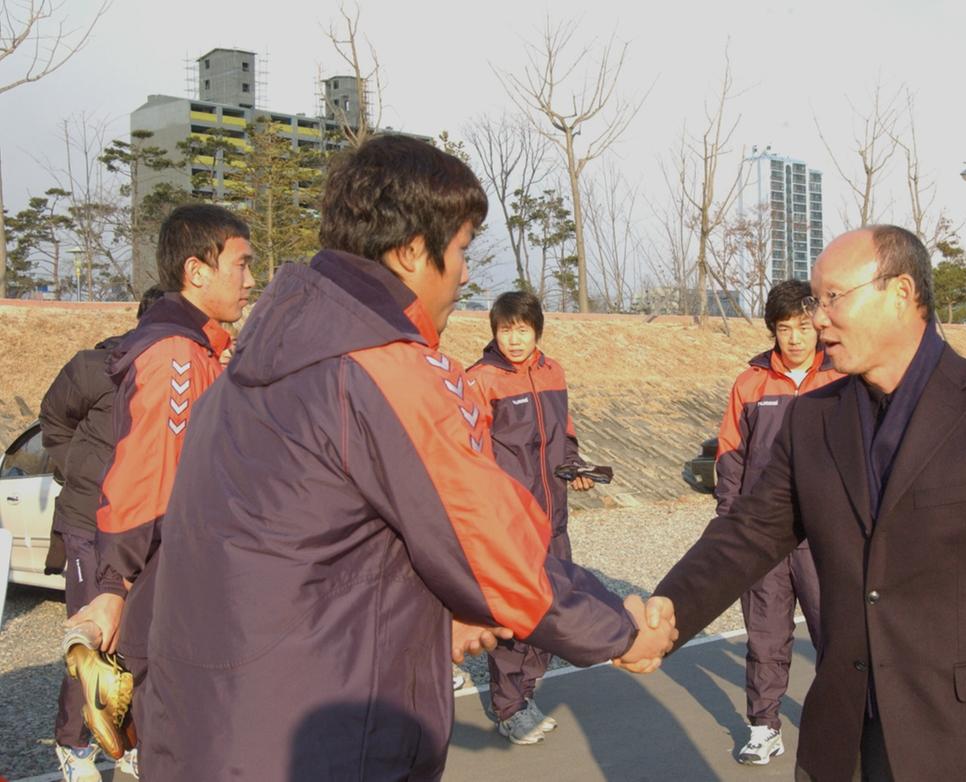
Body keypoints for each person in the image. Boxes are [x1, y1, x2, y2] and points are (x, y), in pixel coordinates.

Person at [136, 136, 674, 781]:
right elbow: (491, 552)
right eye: (463, 250)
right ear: (413, 251)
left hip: (210, 729)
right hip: (322, 739)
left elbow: (312, 548)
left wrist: (436, 614)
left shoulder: (246, 373)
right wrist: (618, 624)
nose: (468, 274)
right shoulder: (381, 368)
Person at [646, 225, 966, 780]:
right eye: (817, 301)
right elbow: (749, 532)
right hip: (846, 737)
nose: (817, 319)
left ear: (901, 293)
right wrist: (666, 612)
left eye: (833, 298)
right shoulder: (813, 419)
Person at [64, 204, 254, 776]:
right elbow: (146, 479)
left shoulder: (202, 351)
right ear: (197, 271)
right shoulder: (175, 355)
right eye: (241, 265)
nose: (250, 280)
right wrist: (112, 585)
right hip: (168, 588)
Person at [714, 279, 841, 765]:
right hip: (764, 537)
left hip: (823, 536)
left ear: (818, 327)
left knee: (835, 632)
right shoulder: (750, 384)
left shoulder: (840, 379)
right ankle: (764, 725)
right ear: (773, 330)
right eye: (785, 328)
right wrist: (731, 528)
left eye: (804, 327)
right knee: (766, 637)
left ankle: (837, 721)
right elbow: (730, 457)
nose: (794, 338)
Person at [40, 285, 162, 782]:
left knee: (138, 641)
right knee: (92, 640)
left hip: (145, 525)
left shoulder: (184, 373)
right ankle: (72, 744)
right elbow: (53, 420)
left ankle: (127, 741)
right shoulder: (96, 367)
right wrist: (87, 471)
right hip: (90, 522)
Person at [466, 291, 596, 745]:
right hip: (510, 521)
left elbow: (566, 433)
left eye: (522, 329)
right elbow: (470, 451)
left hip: (553, 513)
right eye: (505, 330)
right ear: (494, 332)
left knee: (550, 603)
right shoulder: (481, 380)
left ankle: (527, 692)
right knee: (514, 613)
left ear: (537, 330)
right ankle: (509, 706)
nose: (514, 339)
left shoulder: (552, 371)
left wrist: (575, 466)